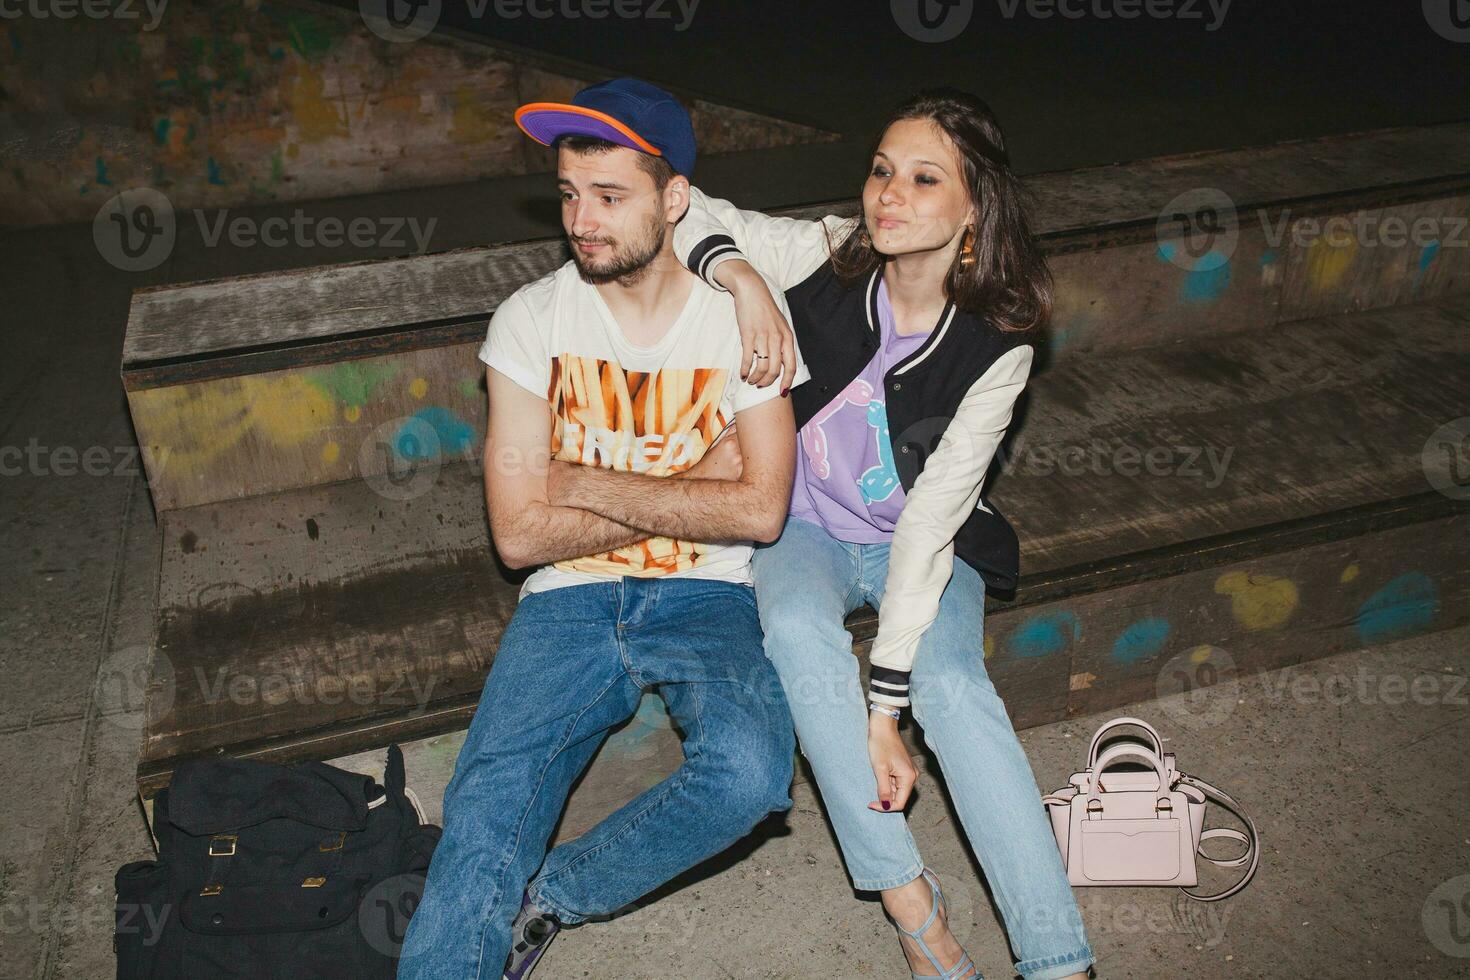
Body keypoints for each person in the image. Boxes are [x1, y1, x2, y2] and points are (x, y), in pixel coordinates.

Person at [667, 88, 1097, 980]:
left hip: (925, 544)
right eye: (881, 170)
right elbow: (684, 208)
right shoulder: (828, 256)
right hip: (804, 528)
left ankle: (1060, 963)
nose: (889, 195)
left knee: (953, 688)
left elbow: (931, 525)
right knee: (792, 631)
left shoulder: (998, 343)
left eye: (923, 178)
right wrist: (743, 277)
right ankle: (912, 905)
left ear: (974, 206)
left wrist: (885, 709)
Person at [397, 78, 810, 979]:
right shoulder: (530, 320)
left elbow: (761, 508)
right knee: (486, 809)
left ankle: (558, 894)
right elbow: (517, 537)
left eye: (610, 197)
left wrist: (579, 479)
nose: (582, 220)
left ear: (674, 200)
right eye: (569, 195)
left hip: (709, 592)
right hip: (566, 605)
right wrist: (690, 480)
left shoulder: (747, 319)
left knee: (749, 777)